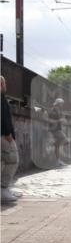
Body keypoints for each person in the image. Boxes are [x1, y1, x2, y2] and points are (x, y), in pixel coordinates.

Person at [1, 75, 20, 204]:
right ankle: (3, 188)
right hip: (3, 135)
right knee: (12, 160)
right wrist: (8, 134)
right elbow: (3, 117)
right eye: (4, 83)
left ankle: (4, 189)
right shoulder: (1, 98)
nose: (6, 85)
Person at [48, 98, 67, 166]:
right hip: (54, 130)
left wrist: (63, 120)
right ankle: (52, 146)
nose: (62, 105)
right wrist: (59, 121)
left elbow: (62, 119)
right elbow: (49, 120)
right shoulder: (52, 111)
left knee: (58, 146)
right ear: (58, 104)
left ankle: (58, 161)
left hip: (58, 129)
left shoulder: (59, 111)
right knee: (65, 141)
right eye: (61, 104)